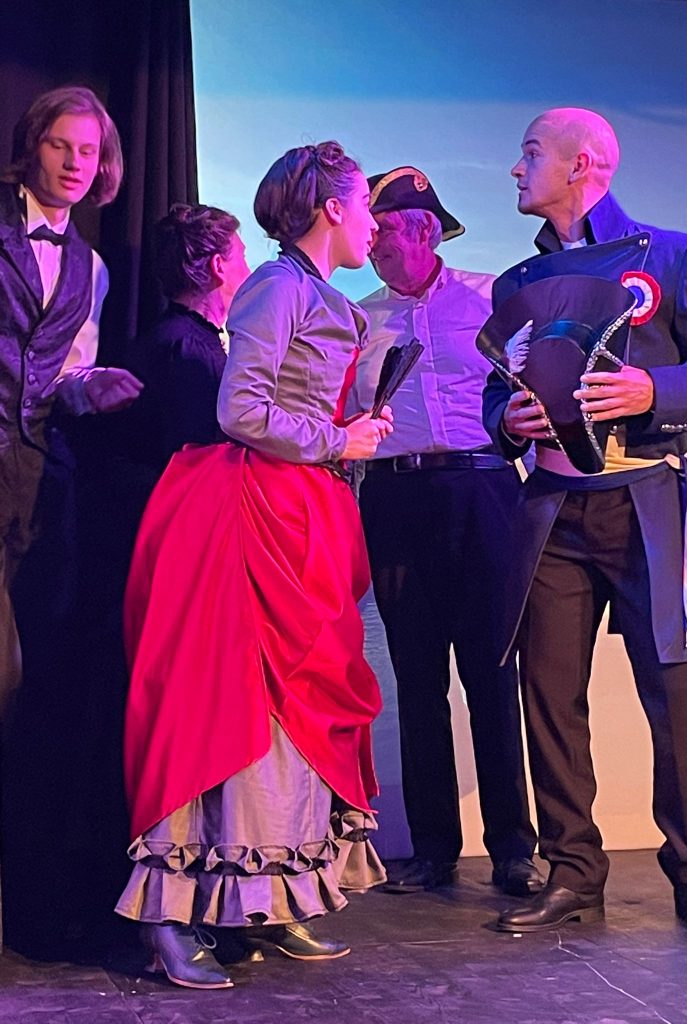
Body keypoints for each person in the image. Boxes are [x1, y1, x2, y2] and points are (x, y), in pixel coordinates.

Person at [115, 141, 394, 989]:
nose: (374, 223)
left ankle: (269, 900)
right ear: (332, 209)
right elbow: (241, 409)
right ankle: (169, 919)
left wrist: (351, 436)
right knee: (228, 708)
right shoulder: (276, 285)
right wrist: (336, 439)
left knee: (293, 715)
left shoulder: (314, 291)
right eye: (366, 205)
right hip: (249, 514)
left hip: (302, 510)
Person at [483, 107, 687, 935]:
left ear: (583, 165)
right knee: (548, 694)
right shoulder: (515, 282)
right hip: (550, 508)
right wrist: (508, 421)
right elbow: (498, 388)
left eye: (531, 153)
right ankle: (573, 872)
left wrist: (653, 390)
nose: (516, 168)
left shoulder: (674, 255)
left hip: (647, 502)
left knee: (675, 691)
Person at [348, 167, 540, 896]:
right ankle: (432, 849)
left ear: (424, 230)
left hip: (484, 489)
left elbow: (531, 392)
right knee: (417, 676)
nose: (372, 244)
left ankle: (513, 849)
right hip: (395, 496)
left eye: (384, 230)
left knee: (492, 673)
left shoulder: (492, 298)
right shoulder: (359, 320)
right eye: (368, 232)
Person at [0, 86, 142, 955]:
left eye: (90, 152)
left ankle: (30, 894)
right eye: (62, 145)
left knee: (37, 685)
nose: (75, 163)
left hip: (39, 483)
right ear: (34, 145)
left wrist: (93, 387)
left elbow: (62, 375)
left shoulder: (91, 266)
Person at [125, 202, 251, 471]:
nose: (249, 272)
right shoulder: (188, 350)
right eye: (242, 258)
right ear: (218, 266)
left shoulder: (175, 338)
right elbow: (200, 460)